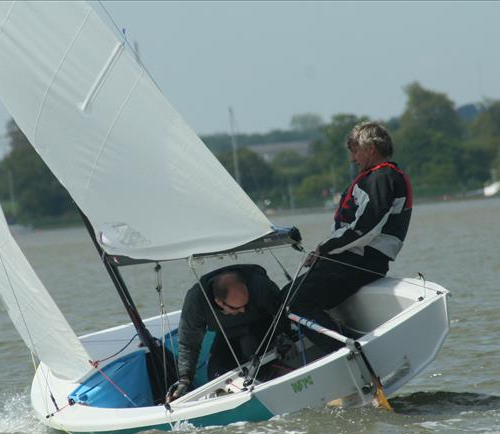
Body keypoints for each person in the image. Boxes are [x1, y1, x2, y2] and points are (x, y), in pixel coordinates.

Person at [287, 120, 413, 320]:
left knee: (294, 303)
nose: (352, 159)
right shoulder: (376, 177)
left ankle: (342, 350)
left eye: (355, 152)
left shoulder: (382, 177)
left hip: (360, 263)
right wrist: (323, 253)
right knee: (283, 298)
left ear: (370, 149)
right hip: (348, 261)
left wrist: (324, 248)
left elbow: (365, 228)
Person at [166, 264, 283, 402]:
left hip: (263, 326)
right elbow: (188, 343)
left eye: (246, 304)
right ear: (219, 302)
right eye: (237, 307)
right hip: (228, 335)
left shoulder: (260, 285)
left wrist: (283, 335)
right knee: (216, 374)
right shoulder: (196, 301)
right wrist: (184, 378)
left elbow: (282, 313)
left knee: (253, 351)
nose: (243, 311)